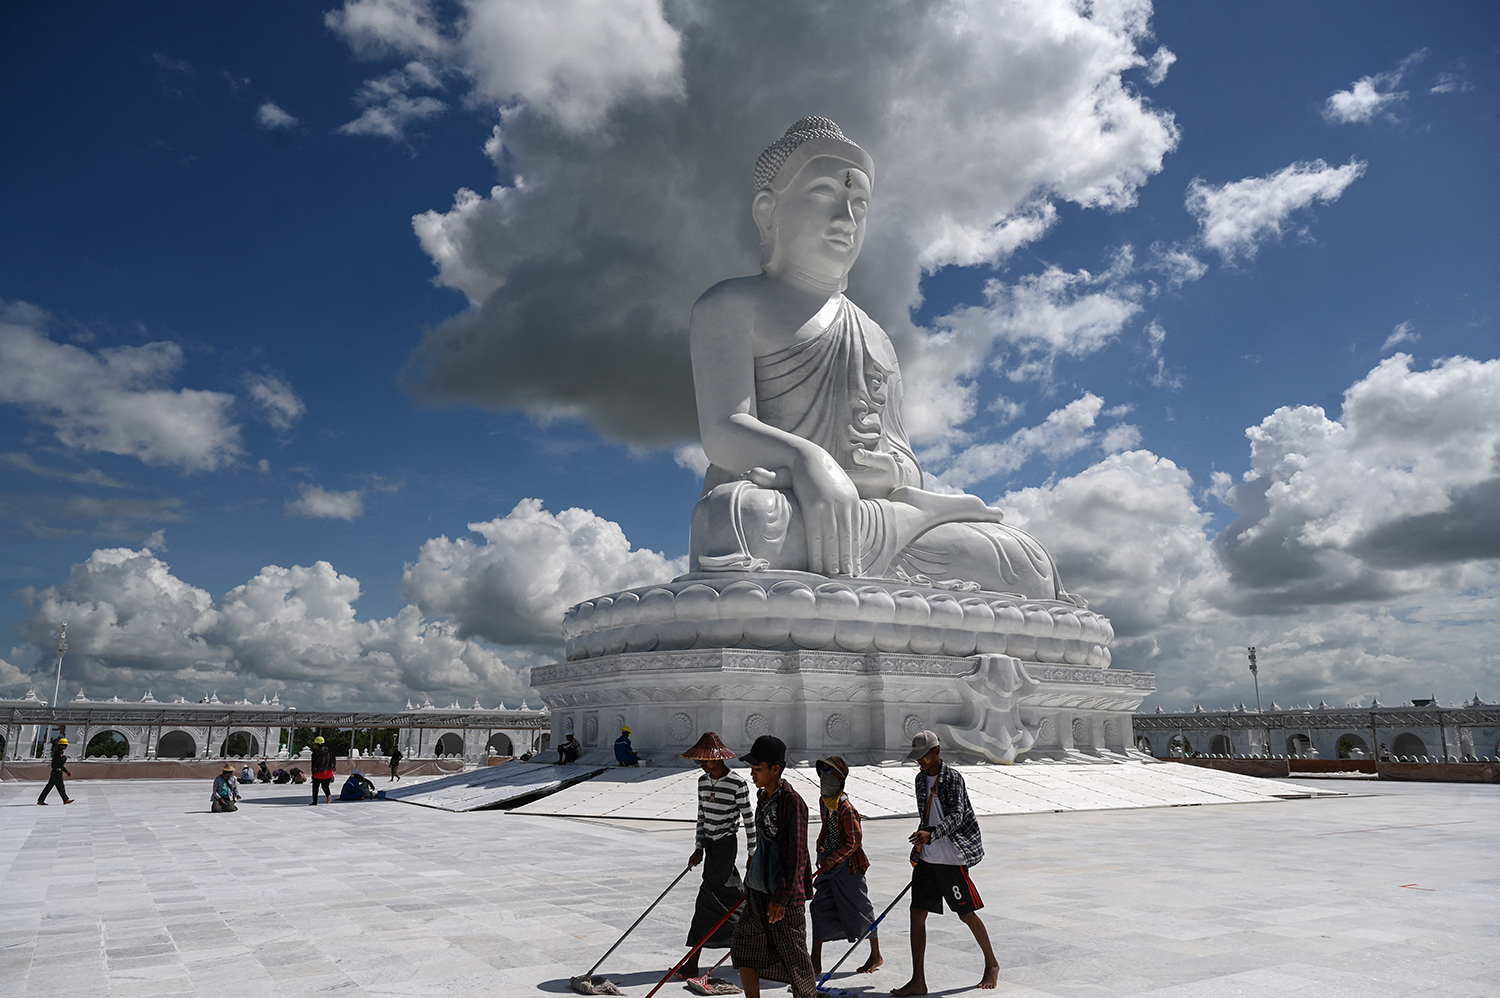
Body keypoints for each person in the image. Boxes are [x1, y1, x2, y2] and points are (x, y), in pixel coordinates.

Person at [687, 115, 1080, 603]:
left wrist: (889, 472)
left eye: (859, 205)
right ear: (768, 211)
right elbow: (724, 429)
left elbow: (902, 460)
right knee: (735, 520)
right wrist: (807, 460)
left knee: (1022, 560)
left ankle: (858, 583)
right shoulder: (730, 305)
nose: (845, 220)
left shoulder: (874, 335)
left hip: (874, 518)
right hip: (787, 511)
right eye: (823, 195)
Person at [892, 731, 1000, 996]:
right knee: (917, 914)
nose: (920, 761)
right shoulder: (920, 780)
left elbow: (957, 815)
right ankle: (918, 980)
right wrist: (919, 844)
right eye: (917, 757)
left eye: (924, 756)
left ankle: (992, 963)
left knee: (966, 914)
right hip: (928, 856)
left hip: (952, 857)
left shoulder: (952, 778)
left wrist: (932, 834)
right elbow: (926, 815)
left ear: (937, 752)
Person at [731, 734, 816, 998]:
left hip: (783, 898)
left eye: (758, 769)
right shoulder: (764, 798)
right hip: (758, 890)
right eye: (752, 769)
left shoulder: (791, 802)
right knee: (744, 948)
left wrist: (781, 898)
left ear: (775, 769)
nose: (752, 774)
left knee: (795, 961)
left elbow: (796, 855)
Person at [677, 732, 754, 980]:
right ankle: (746, 937)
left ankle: (693, 963)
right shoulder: (702, 782)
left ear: (718, 759)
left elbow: (748, 819)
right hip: (710, 847)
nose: (702, 765)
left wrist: (753, 852)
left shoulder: (737, 784)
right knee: (727, 896)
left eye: (706, 761)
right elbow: (701, 817)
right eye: (700, 761)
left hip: (726, 845)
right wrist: (698, 847)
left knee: (707, 899)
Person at [809, 756, 880, 975]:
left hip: (848, 867)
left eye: (830, 774)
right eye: (822, 774)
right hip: (829, 864)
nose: (824, 779)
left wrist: (834, 858)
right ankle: (815, 959)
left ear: (840, 780)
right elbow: (826, 829)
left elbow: (854, 841)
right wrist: (821, 848)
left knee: (860, 908)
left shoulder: (846, 808)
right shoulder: (824, 803)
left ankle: (876, 955)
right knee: (819, 906)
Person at [36, 736, 73, 805]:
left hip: (56, 771)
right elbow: (61, 763)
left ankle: (41, 800)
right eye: (64, 745)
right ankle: (65, 800)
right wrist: (65, 758)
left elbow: (60, 765)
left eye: (66, 745)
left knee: (49, 787)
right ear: (60, 745)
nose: (65, 747)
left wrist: (66, 771)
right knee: (60, 786)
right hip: (57, 772)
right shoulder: (58, 753)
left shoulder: (58, 752)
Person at [309, 737, 335, 805]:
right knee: (325, 786)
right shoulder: (329, 751)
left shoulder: (316, 752)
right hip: (328, 772)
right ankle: (328, 796)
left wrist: (313, 772)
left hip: (319, 772)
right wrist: (333, 767)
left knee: (315, 787)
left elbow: (313, 763)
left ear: (318, 744)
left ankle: (315, 801)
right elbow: (333, 760)